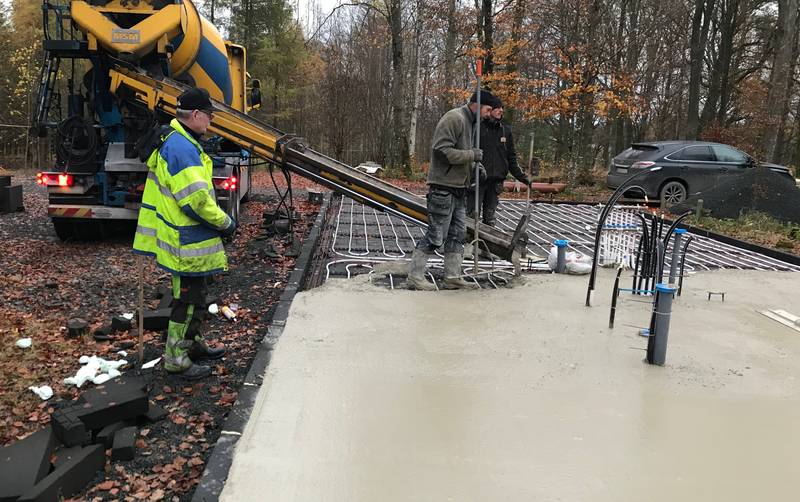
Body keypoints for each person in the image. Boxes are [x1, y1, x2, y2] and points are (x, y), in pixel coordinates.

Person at [133, 87, 236, 380]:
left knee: (198, 296)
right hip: (185, 242)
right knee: (188, 300)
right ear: (195, 114)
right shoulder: (181, 148)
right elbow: (196, 202)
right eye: (209, 115)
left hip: (186, 240)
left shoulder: (181, 141)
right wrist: (226, 223)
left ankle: (193, 345)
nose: (211, 121)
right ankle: (176, 358)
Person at [406, 90, 497, 291]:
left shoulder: (472, 124)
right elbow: (441, 150)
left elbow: (465, 155)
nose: (489, 114)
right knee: (436, 235)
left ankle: (452, 276)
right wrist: (470, 156)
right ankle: (415, 276)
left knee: (458, 234)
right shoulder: (454, 118)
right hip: (443, 188)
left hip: (459, 189)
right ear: (476, 104)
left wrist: (475, 166)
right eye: (488, 109)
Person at [467, 98, 530, 226]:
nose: (501, 110)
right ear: (489, 109)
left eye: (502, 108)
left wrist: (523, 177)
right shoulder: (477, 128)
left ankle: (488, 244)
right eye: (497, 107)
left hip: (495, 182)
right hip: (477, 180)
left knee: (490, 218)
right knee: (471, 217)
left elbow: (511, 158)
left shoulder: (505, 131)